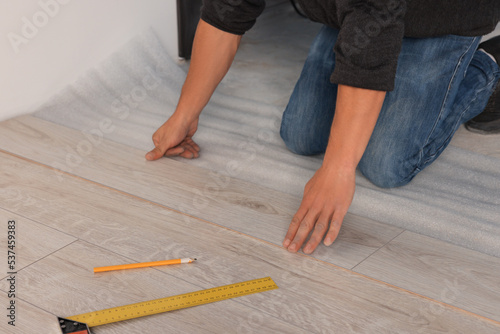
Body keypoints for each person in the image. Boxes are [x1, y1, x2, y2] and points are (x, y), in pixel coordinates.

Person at [146, 0, 500, 254]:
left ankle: (487, 64)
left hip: (438, 15)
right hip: (355, 16)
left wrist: (338, 169)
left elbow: (370, 47)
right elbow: (227, 11)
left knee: (386, 164)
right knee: (301, 135)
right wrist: (184, 114)